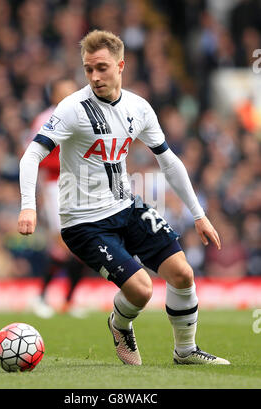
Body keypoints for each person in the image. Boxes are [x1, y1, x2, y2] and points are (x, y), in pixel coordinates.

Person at [17, 30, 230, 365]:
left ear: (121, 66)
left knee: (183, 274)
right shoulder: (73, 108)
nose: (95, 76)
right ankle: (119, 325)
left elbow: (168, 160)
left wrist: (198, 214)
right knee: (142, 290)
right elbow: (30, 156)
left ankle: (186, 351)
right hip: (84, 222)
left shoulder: (138, 107)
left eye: (101, 68)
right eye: (88, 69)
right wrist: (28, 206)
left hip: (126, 207)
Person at [27, 78, 87, 318]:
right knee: (62, 243)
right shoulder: (44, 120)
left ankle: (68, 300)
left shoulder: (85, 117)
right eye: (63, 93)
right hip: (55, 186)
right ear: (53, 97)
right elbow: (35, 157)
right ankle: (41, 296)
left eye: (72, 92)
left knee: (83, 243)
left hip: (82, 185)